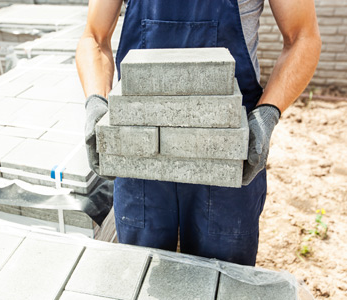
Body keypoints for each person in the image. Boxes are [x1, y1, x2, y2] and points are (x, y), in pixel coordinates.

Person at [76, 0, 321, 266]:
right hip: (141, 150)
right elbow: (94, 37)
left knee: (223, 273)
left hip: (227, 153)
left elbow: (302, 37)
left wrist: (267, 114)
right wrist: (95, 103)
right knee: (142, 270)